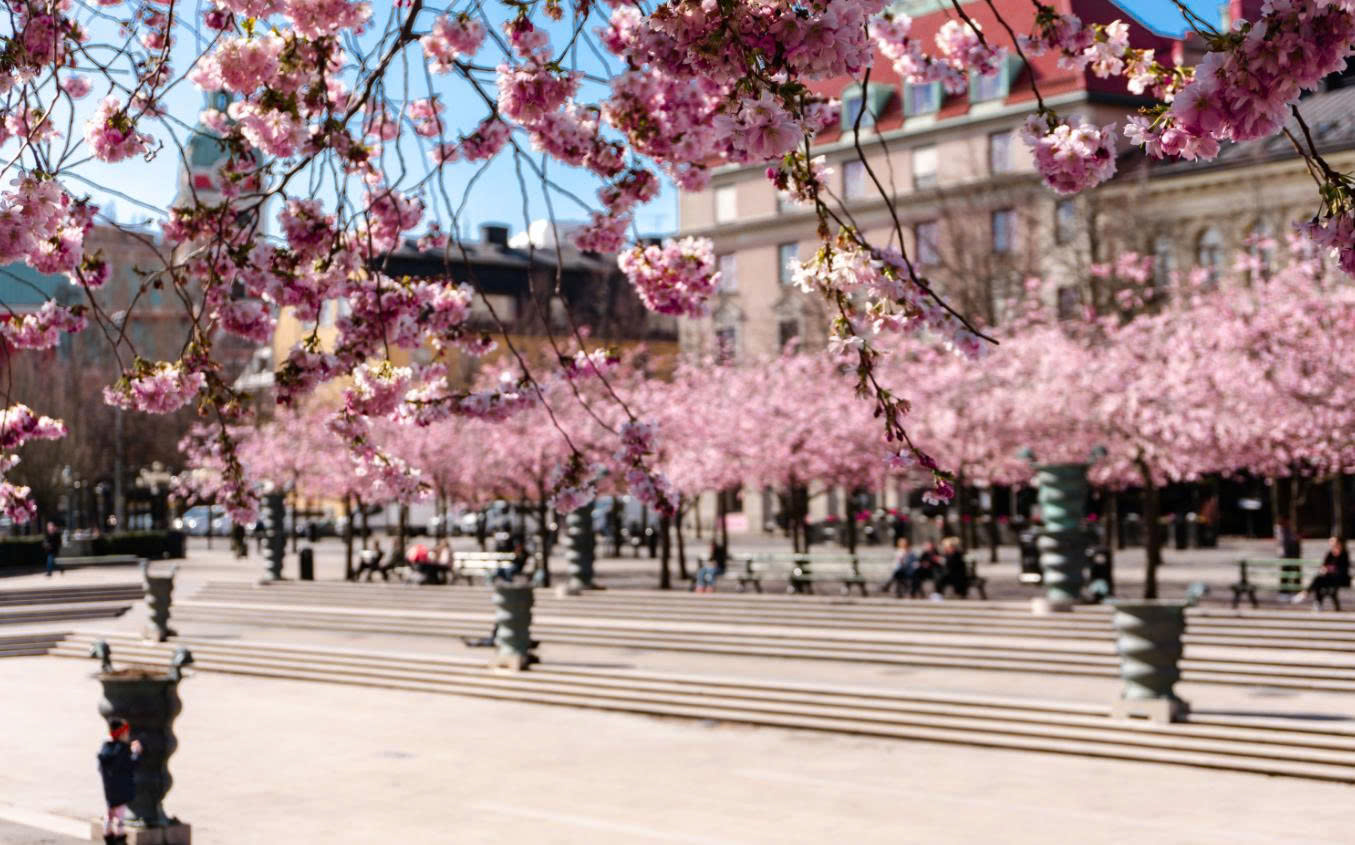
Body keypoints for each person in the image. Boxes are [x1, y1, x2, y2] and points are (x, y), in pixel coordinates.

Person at [97, 718, 142, 845]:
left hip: (109, 788)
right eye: (126, 733)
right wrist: (136, 753)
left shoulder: (105, 747)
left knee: (109, 813)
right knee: (120, 816)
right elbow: (131, 765)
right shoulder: (122, 750)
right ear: (122, 734)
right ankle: (120, 838)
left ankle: (107, 835)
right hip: (121, 788)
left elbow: (100, 767)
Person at [1295, 536, 1351, 605]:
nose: (1331, 543)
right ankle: (1315, 601)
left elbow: (1342, 569)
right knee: (1318, 580)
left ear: (1339, 543)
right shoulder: (1330, 553)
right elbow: (1324, 565)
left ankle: (1307, 594)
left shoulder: (1344, 554)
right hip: (1329, 577)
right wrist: (1325, 569)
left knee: (1319, 580)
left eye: (1333, 541)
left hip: (1340, 579)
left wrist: (1330, 569)